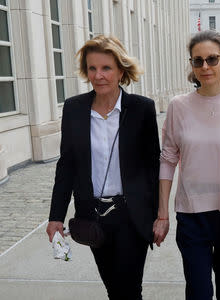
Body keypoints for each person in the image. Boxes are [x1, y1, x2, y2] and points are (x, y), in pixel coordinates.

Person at [45, 35, 160, 300]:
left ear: (121, 70)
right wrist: (55, 216)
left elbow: (153, 167)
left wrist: (157, 215)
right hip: (93, 215)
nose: (99, 75)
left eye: (106, 68)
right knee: (113, 288)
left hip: (131, 215)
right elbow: (66, 167)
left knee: (129, 289)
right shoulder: (74, 109)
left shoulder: (142, 109)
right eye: (92, 68)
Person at [153, 30, 220, 300]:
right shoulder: (178, 106)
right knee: (199, 291)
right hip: (191, 214)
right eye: (197, 61)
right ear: (191, 65)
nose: (205, 67)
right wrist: (162, 214)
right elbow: (168, 160)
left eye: (212, 59)